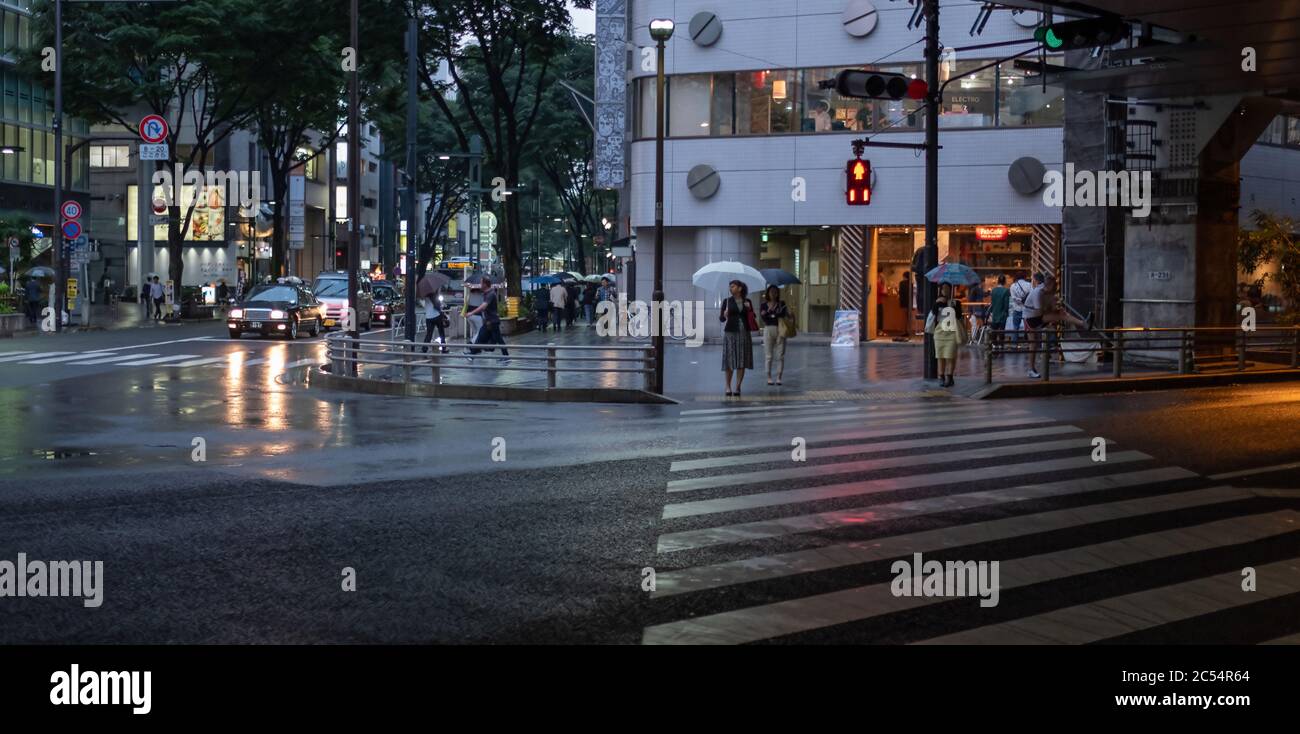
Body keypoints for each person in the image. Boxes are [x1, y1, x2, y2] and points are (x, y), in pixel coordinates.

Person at [720, 280, 755, 397]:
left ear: (740, 288)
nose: (731, 288)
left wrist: (749, 309)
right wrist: (724, 314)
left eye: (733, 286)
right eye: (730, 286)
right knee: (730, 360)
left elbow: (753, 316)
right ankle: (728, 386)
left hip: (744, 333)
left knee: (741, 360)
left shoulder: (747, 301)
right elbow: (721, 319)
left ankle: (738, 386)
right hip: (730, 333)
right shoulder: (727, 301)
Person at [926, 282, 964, 387]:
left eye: (947, 288)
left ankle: (949, 377)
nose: (945, 290)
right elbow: (932, 317)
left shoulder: (956, 303)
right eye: (943, 288)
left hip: (951, 333)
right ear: (940, 290)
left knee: (950, 356)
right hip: (939, 333)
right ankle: (941, 377)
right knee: (940, 356)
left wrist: (952, 307)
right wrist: (937, 304)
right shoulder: (937, 303)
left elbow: (960, 318)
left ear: (951, 290)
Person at [464, 277, 508, 361]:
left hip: (492, 321)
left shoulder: (490, 294)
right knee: (481, 337)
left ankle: (506, 356)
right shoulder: (487, 293)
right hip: (489, 321)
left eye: (481, 283)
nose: (480, 285)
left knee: (498, 339)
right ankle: (472, 354)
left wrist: (471, 313)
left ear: (485, 284)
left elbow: (483, 306)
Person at [760, 285, 790, 386]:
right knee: (768, 356)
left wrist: (771, 313)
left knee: (780, 355)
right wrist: (771, 311)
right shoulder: (763, 305)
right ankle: (768, 377)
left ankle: (779, 377)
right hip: (768, 329)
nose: (773, 294)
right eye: (771, 291)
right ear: (768, 293)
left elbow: (782, 314)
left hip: (780, 330)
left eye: (775, 292)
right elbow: (764, 318)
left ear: (778, 293)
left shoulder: (782, 304)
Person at [1008, 271, 1034, 348]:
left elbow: (1013, 298)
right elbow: (1031, 296)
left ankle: (1014, 344)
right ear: (1024, 277)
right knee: (1028, 327)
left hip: (1017, 309)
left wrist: (1020, 300)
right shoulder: (1029, 285)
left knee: (1015, 327)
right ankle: (1028, 344)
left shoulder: (1013, 286)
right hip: (1027, 309)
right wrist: (1025, 301)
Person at [988, 274, 1010, 351]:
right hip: (1002, 313)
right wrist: (1006, 312)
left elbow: (992, 302)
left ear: (998, 281)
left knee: (994, 329)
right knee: (1001, 330)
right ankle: (1001, 344)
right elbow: (1006, 304)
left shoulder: (993, 290)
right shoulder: (1006, 291)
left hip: (995, 312)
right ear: (1004, 281)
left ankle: (994, 344)